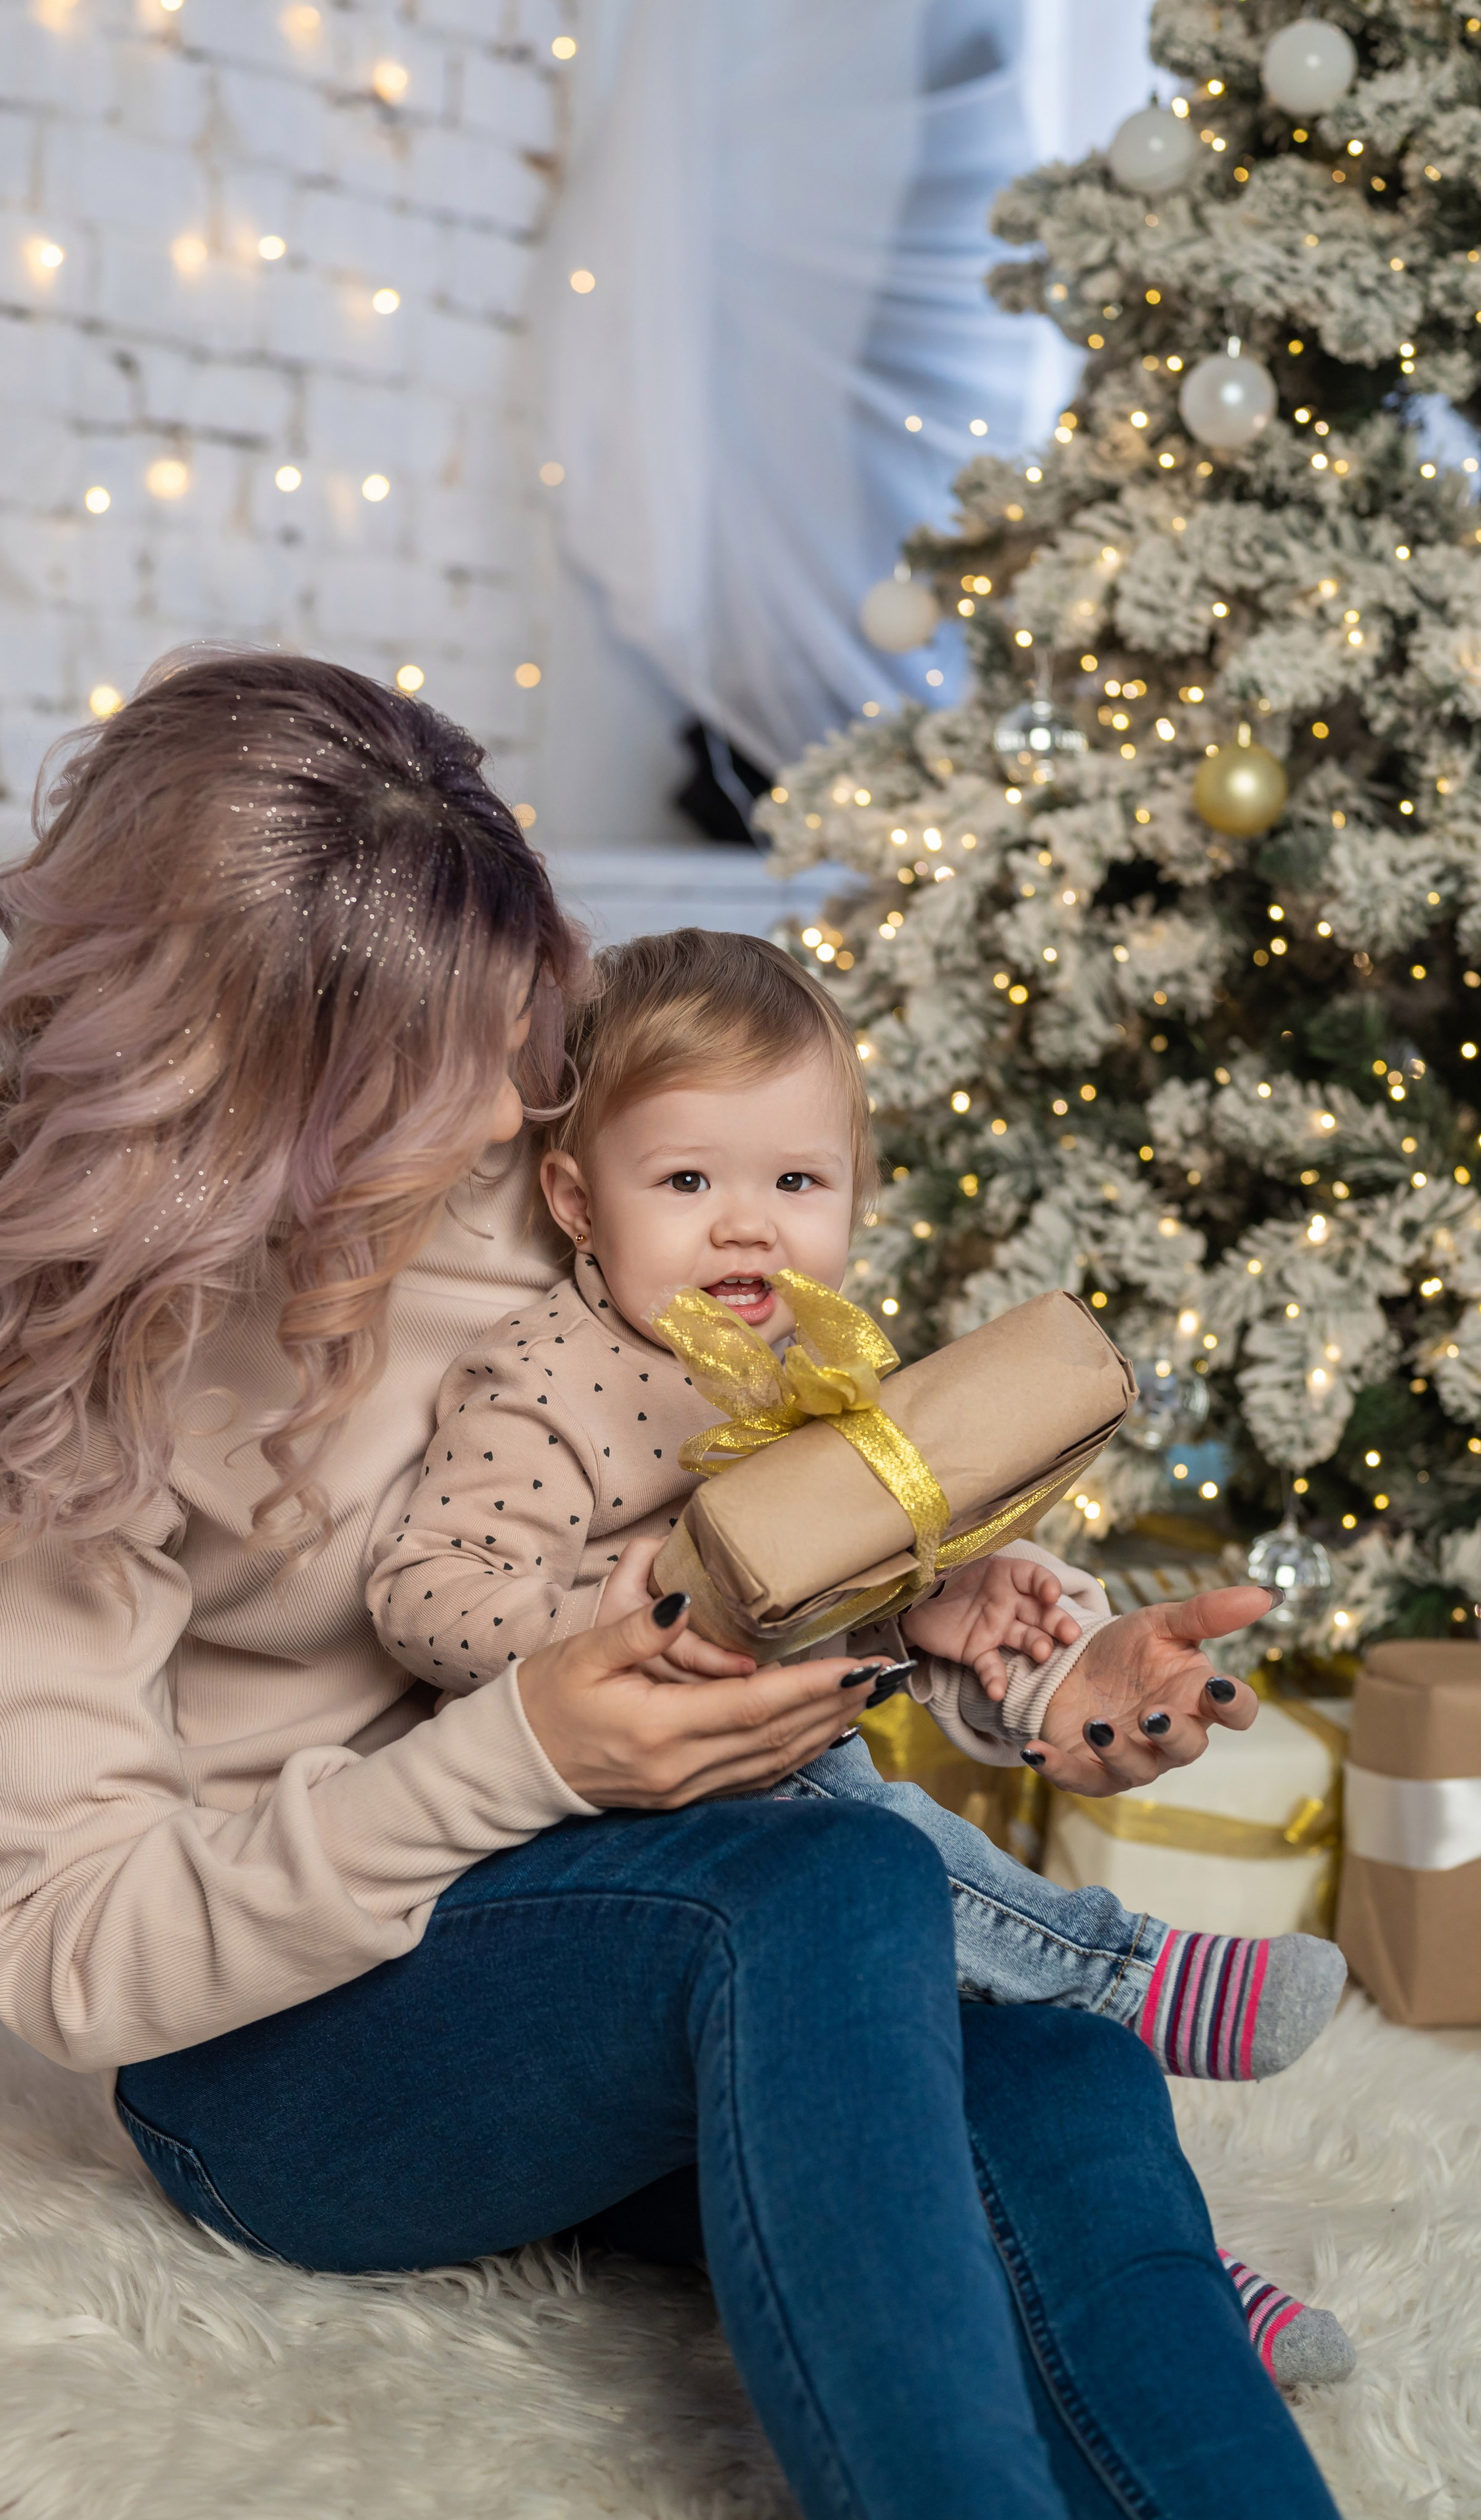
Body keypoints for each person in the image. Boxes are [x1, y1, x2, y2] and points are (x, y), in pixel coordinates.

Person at [0, 651, 1341, 2520]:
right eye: (431, 1086)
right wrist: (521, 1758)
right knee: (825, 1885)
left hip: (614, 1922)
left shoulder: (565, 1159)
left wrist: (1021, 1662)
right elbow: (73, 1951)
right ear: (251, 1088)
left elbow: (755, 1520)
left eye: (520, 1050)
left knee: (1058, 2074)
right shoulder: (71, 1370)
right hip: (282, 2069)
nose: (508, 1121)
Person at [368, 925, 1351, 2385]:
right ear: (578, 1199)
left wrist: (928, 1612)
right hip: (587, 1822)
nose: (745, 1226)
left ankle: (1176, 2273)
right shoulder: (550, 1375)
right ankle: (1109, 1973)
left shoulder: (810, 1366)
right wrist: (613, 1619)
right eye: (687, 1181)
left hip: (764, 1764)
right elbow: (425, 1595)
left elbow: (816, 1586)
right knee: (861, 1848)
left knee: (970, 2056)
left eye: (795, 1183)